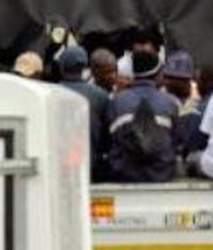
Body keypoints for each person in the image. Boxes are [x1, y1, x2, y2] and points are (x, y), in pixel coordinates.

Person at [106, 50, 180, 183]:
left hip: (123, 174)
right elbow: (176, 140)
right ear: (158, 74)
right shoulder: (170, 102)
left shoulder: (117, 101)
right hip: (161, 173)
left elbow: (110, 139)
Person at [57, 46, 111, 180]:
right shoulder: (101, 95)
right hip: (91, 166)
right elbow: (107, 137)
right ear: (85, 67)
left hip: (58, 166)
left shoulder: (49, 92)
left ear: (61, 67)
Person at [177, 65, 213, 160]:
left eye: (197, 81)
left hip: (208, 157)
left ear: (205, 83)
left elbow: (191, 140)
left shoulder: (202, 107)